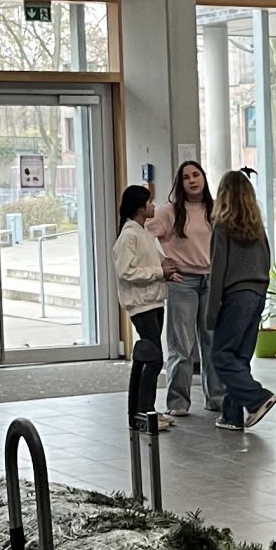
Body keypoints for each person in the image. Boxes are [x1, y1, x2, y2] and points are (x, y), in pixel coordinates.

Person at [204, 168, 276, 432]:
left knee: (221, 355)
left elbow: (218, 271)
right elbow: (266, 260)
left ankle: (258, 398)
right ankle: (231, 415)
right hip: (257, 294)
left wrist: (211, 314)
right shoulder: (257, 228)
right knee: (240, 357)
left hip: (236, 296)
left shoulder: (222, 227)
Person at [150, 159, 220, 417]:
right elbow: (142, 236)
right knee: (182, 344)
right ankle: (178, 402)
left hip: (211, 280)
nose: (192, 180)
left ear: (204, 177)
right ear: (180, 184)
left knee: (212, 342)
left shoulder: (215, 209)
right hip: (183, 282)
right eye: (186, 177)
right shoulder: (169, 212)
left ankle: (216, 398)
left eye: (196, 175)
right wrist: (162, 261)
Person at [114, 183, 173, 432]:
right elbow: (126, 271)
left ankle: (144, 410)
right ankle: (144, 411)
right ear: (140, 208)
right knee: (153, 358)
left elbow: (155, 261)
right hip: (141, 305)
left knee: (151, 357)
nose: (153, 206)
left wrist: (167, 269)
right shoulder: (129, 235)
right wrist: (159, 272)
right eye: (149, 202)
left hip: (154, 301)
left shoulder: (143, 232)